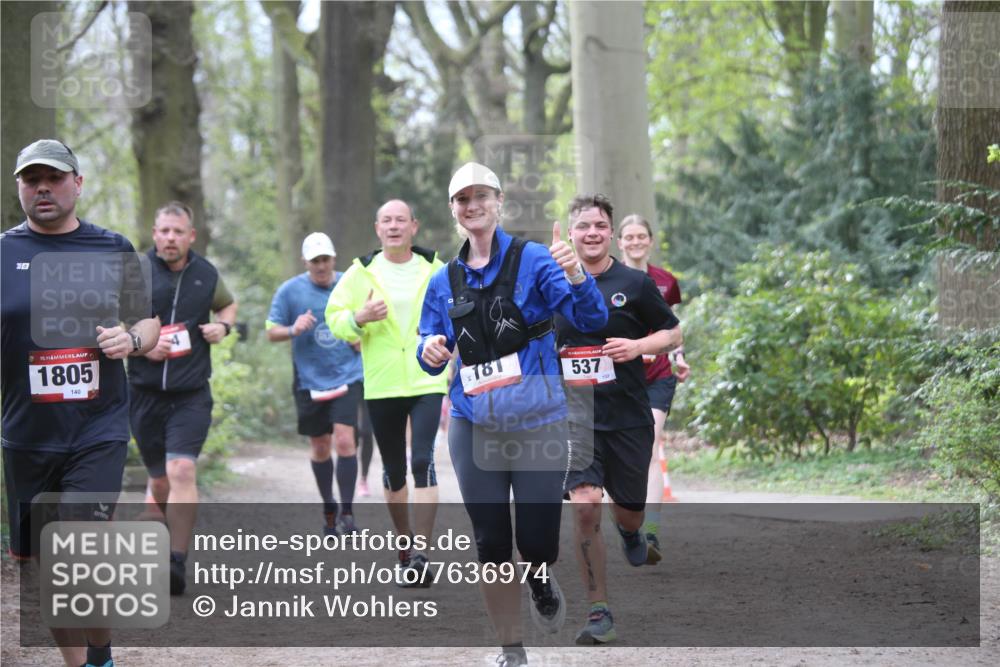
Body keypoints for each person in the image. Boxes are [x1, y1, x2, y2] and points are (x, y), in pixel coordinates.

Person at [417, 163, 608, 667]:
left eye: (480, 196)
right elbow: (426, 341)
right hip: (472, 421)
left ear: (499, 202)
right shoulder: (444, 278)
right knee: (492, 542)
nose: (471, 205)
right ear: (454, 210)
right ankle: (510, 647)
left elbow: (592, 320)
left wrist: (575, 273)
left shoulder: (536, 260)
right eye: (462, 199)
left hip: (538, 421)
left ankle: (540, 577)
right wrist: (431, 349)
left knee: (538, 542)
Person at [1, 139, 160, 667]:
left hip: (98, 427)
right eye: (31, 179)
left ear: (78, 183)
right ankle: (89, 661)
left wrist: (131, 341)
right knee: (44, 567)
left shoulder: (111, 248)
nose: (42, 188)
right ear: (20, 187)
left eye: (53, 177)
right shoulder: (3, 253)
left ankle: (101, 658)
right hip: (25, 434)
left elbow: (149, 322)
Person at [557, 194, 682, 645]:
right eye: (583, 226)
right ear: (570, 233)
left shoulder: (635, 282)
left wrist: (639, 347)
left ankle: (631, 533)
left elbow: (673, 332)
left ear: (610, 233)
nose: (591, 232)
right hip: (576, 418)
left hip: (628, 415)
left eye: (599, 225)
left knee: (628, 513)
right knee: (586, 505)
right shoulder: (552, 283)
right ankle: (599, 610)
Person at [326, 200, 448, 585]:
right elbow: (335, 319)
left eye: (401, 220)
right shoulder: (361, 272)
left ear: (414, 226)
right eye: (386, 221)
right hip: (381, 383)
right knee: (394, 471)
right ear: (377, 228)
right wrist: (358, 319)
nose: (394, 226)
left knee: (422, 460)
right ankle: (405, 548)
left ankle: (423, 556)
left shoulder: (436, 269)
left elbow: (456, 312)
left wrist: (450, 347)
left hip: (427, 377)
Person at [128, 201, 238, 596]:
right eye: (164, 231)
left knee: (181, 472)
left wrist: (222, 326)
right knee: (159, 481)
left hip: (191, 393)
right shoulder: (136, 271)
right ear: (155, 233)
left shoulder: (206, 273)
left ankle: (176, 561)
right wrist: (141, 345)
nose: (170, 238)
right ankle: (155, 517)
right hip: (143, 394)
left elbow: (227, 304)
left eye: (178, 232)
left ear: (191, 236)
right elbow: (112, 321)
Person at [267, 232, 364, 535]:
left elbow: (368, 319)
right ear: (305, 262)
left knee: (346, 440)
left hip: (348, 373)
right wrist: (293, 329)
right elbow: (271, 332)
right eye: (315, 261)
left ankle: (348, 514)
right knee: (320, 446)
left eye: (325, 259)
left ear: (334, 259)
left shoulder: (349, 283)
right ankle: (329, 508)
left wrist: (361, 335)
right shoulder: (290, 291)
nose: (321, 266)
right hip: (309, 379)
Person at [616, 213, 690, 564]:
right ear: (620, 243)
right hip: (619, 376)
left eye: (640, 236)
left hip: (658, 375)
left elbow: (671, 327)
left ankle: (652, 531)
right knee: (622, 453)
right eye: (628, 237)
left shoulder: (666, 282)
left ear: (650, 240)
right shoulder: (609, 278)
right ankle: (628, 523)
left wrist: (680, 358)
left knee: (651, 442)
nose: (634, 242)